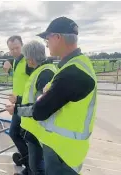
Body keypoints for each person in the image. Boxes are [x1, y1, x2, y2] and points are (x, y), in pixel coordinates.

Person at [15, 17, 97, 175]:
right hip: (66, 149)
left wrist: (36, 101)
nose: (47, 43)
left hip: (63, 153)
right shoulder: (77, 65)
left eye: (47, 38)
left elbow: (40, 111)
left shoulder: (72, 73)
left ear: (57, 37)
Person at [6, 41, 57, 175]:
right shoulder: (40, 70)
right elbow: (35, 99)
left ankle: (29, 170)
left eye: (26, 57)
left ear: (32, 58)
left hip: (37, 126)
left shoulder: (45, 74)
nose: (26, 60)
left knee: (37, 166)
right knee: (35, 163)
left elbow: (39, 106)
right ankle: (28, 170)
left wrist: (17, 108)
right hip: (31, 121)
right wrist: (18, 100)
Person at [3, 35, 34, 174]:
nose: (14, 51)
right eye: (11, 49)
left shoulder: (28, 62)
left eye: (17, 48)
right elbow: (17, 75)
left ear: (22, 45)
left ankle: (30, 166)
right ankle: (28, 161)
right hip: (18, 104)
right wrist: (6, 62)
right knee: (22, 134)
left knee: (16, 133)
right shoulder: (16, 61)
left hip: (26, 105)